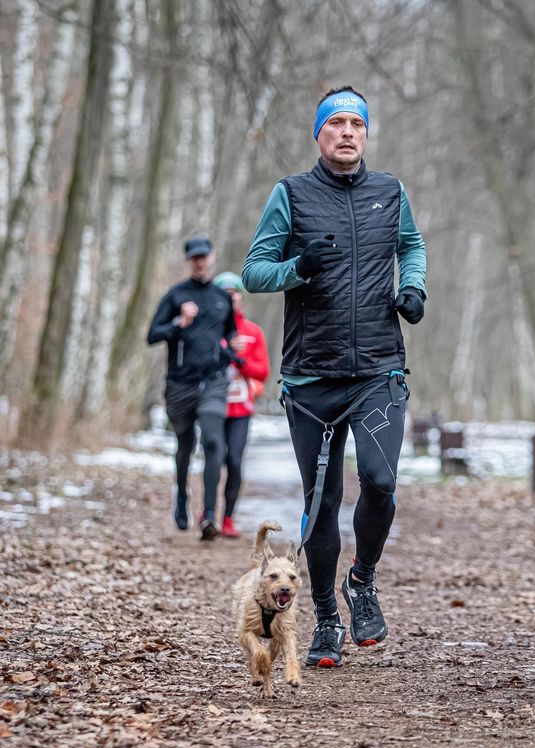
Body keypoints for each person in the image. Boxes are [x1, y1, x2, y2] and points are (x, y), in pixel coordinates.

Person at [242, 86, 427, 668]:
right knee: (321, 503)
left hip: (377, 369)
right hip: (312, 377)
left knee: (380, 480)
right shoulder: (290, 194)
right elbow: (254, 273)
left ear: (366, 134)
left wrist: (414, 287)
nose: (347, 132)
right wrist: (299, 268)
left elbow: (412, 245)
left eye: (356, 123)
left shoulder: (389, 192)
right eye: (336, 123)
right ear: (318, 133)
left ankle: (362, 582)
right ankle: (324, 618)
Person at [147, 237, 236, 540]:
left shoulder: (221, 298)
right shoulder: (176, 295)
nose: (199, 262)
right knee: (184, 445)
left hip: (213, 382)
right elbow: (152, 334)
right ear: (188, 260)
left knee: (213, 442)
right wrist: (179, 323)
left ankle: (210, 514)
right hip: (180, 384)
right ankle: (182, 497)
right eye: (194, 257)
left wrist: (229, 353)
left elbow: (228, 338)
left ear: (212, 257)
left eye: (204, 256)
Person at [213, 271, 270, 539]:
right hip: (211, 406)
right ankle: (207, 515)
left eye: (234, 293)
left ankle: (227, 518)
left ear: (241, 300)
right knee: (214, 460)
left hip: (240, 410)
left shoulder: (252, 332)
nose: (229, 298)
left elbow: (263, 371)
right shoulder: (208, 330)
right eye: (224, 293)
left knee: (234, 461)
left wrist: (238, 359)